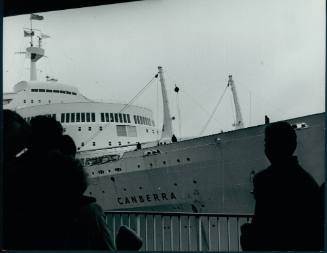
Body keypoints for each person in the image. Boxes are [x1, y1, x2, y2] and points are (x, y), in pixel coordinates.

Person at [241, 121, 320, 251]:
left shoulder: (264, 180)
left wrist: (246, 233)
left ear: (271, 146)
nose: (266, 147)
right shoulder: (308, 182)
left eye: (267, 142)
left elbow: (261, 229)